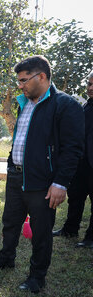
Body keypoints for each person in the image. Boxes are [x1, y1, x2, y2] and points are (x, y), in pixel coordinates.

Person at [0, 56, 84, 293]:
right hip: (17, 176)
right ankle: (6, 260)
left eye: (24, 80)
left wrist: (60, 183)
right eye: (19, 81)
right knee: (10, 222)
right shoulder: (24, 103)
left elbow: (72, 149)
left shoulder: (65, 105)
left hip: (43, 181)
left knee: (41, 231)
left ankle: (37, 277)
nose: (20, 85)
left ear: (42, 77)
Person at [52, 71, 93, 248]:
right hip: (81, 162)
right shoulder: (86, 106)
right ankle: (70, 229)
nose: (90, 88)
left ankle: (91, 238)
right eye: (89, 84)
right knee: (75, 197)